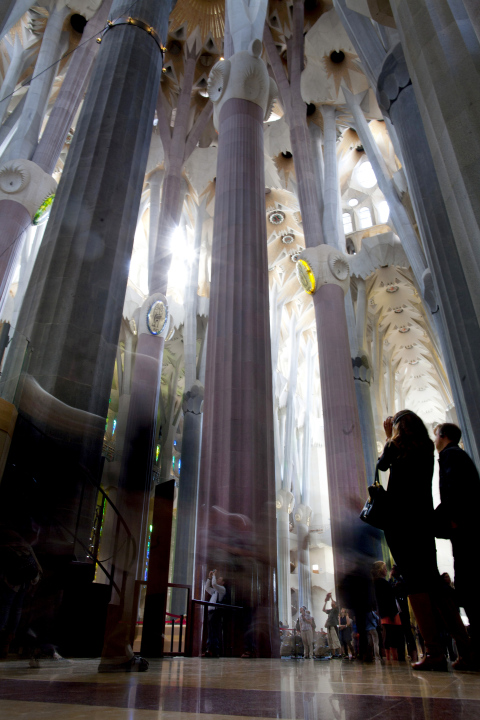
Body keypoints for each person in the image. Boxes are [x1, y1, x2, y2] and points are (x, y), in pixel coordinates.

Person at [374, 410, 473, 671]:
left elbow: (382, 465)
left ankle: (434, 652)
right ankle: (466, 648)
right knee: (435, 584)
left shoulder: (396, 444)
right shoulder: (428, 446)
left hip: (401, 523)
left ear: (398, 428)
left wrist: (388, 437)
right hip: (423, 522)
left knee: (415, 585)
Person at [434, 422, 480, 660]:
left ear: (443, 436)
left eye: (435, 435)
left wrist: (448, 520)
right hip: (466, 529)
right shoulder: (458, 455)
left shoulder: (451, 455)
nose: (434, 440)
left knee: (469, 586)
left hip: (465, 531)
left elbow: (455, 492)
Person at [372, 561, 404, 661]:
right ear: (380, 570)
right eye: (385, 568)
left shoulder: (377, 583)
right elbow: (389, 597)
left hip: (385, 612)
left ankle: (390, 657)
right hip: (391, 613)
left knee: (388, 635)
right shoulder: (382, 582)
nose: (386, 570)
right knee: (393, 635)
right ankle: (394, 657)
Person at [389, 565, 418, 662]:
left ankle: (414, 654)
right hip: (396, 611)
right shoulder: (392, 582)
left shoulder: (402, 581)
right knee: (399, 635)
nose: (391, 571)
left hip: (404, 610)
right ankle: (401, 655)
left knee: (408, 633)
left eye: (393, 569)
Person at [204, 569, 226, 658]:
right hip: (211, 612)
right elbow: (207, 588)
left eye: (219, 579)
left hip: (216, 613)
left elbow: (214, 584)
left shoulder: (222, 589)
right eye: (217, 579)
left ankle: (214, 650)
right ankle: (210, 649)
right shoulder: (214, 591)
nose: (217, 580)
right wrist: (209, 577)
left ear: (223, 582)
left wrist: (214, 575)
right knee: (210, 631)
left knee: (214, 631)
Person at [323, 593, 342, 658]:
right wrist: (325, 602)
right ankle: (333, 654)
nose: (332, 603)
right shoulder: (331, 610)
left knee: (335, 640)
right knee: (330, 641)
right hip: (329, 626)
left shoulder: (336, 610)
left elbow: (335, 604)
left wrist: (331, 597)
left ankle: (340, 653)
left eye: (333, 602)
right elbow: (323, 610)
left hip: (333, 626)